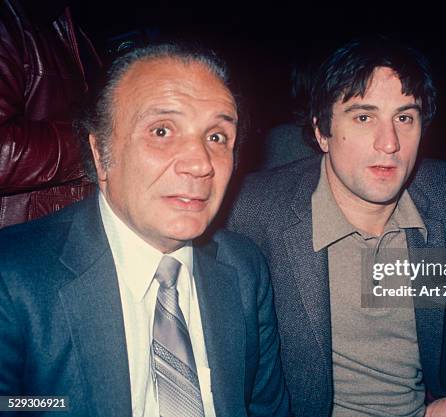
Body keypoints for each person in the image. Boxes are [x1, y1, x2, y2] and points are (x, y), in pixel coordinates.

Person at [228, 37, 446, 417]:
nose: (389, 143)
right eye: (364, 117)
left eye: (405, 118)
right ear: (322, 132)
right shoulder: (253, 210)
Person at [0, 44, 289, 417]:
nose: (200, 163)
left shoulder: (244, 267)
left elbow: (264, 408)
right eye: (162, 130)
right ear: (102, 154)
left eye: (217, 137)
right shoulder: (14, 278)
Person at [0, 0, 102, 229]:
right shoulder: (9, 19)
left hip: (61, 230)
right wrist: (98, 141)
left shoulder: (72, 27)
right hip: (19, 242)